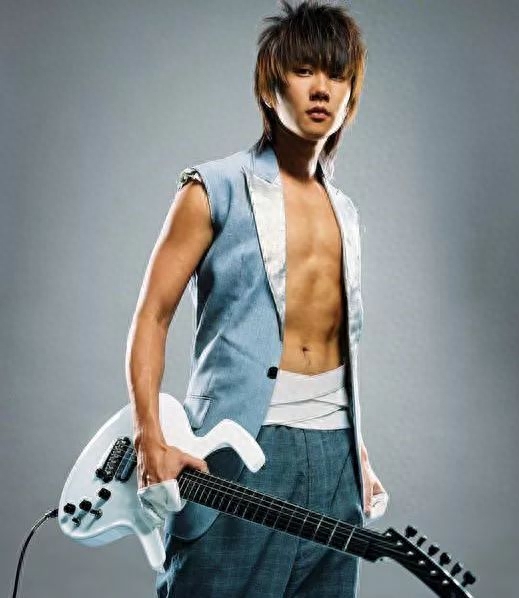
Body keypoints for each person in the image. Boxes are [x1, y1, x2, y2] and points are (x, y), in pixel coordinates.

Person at [126, 1, 387, 596]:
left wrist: (358, 455)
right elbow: (153, 315)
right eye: (303, 70)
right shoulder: (212, 188)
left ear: (351, 94)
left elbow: (338, 346)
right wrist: (150, 436)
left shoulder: (346, 212)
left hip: (335, 458)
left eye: (337, 75)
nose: (321, 88)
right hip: (242, 445)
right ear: (271, 87)